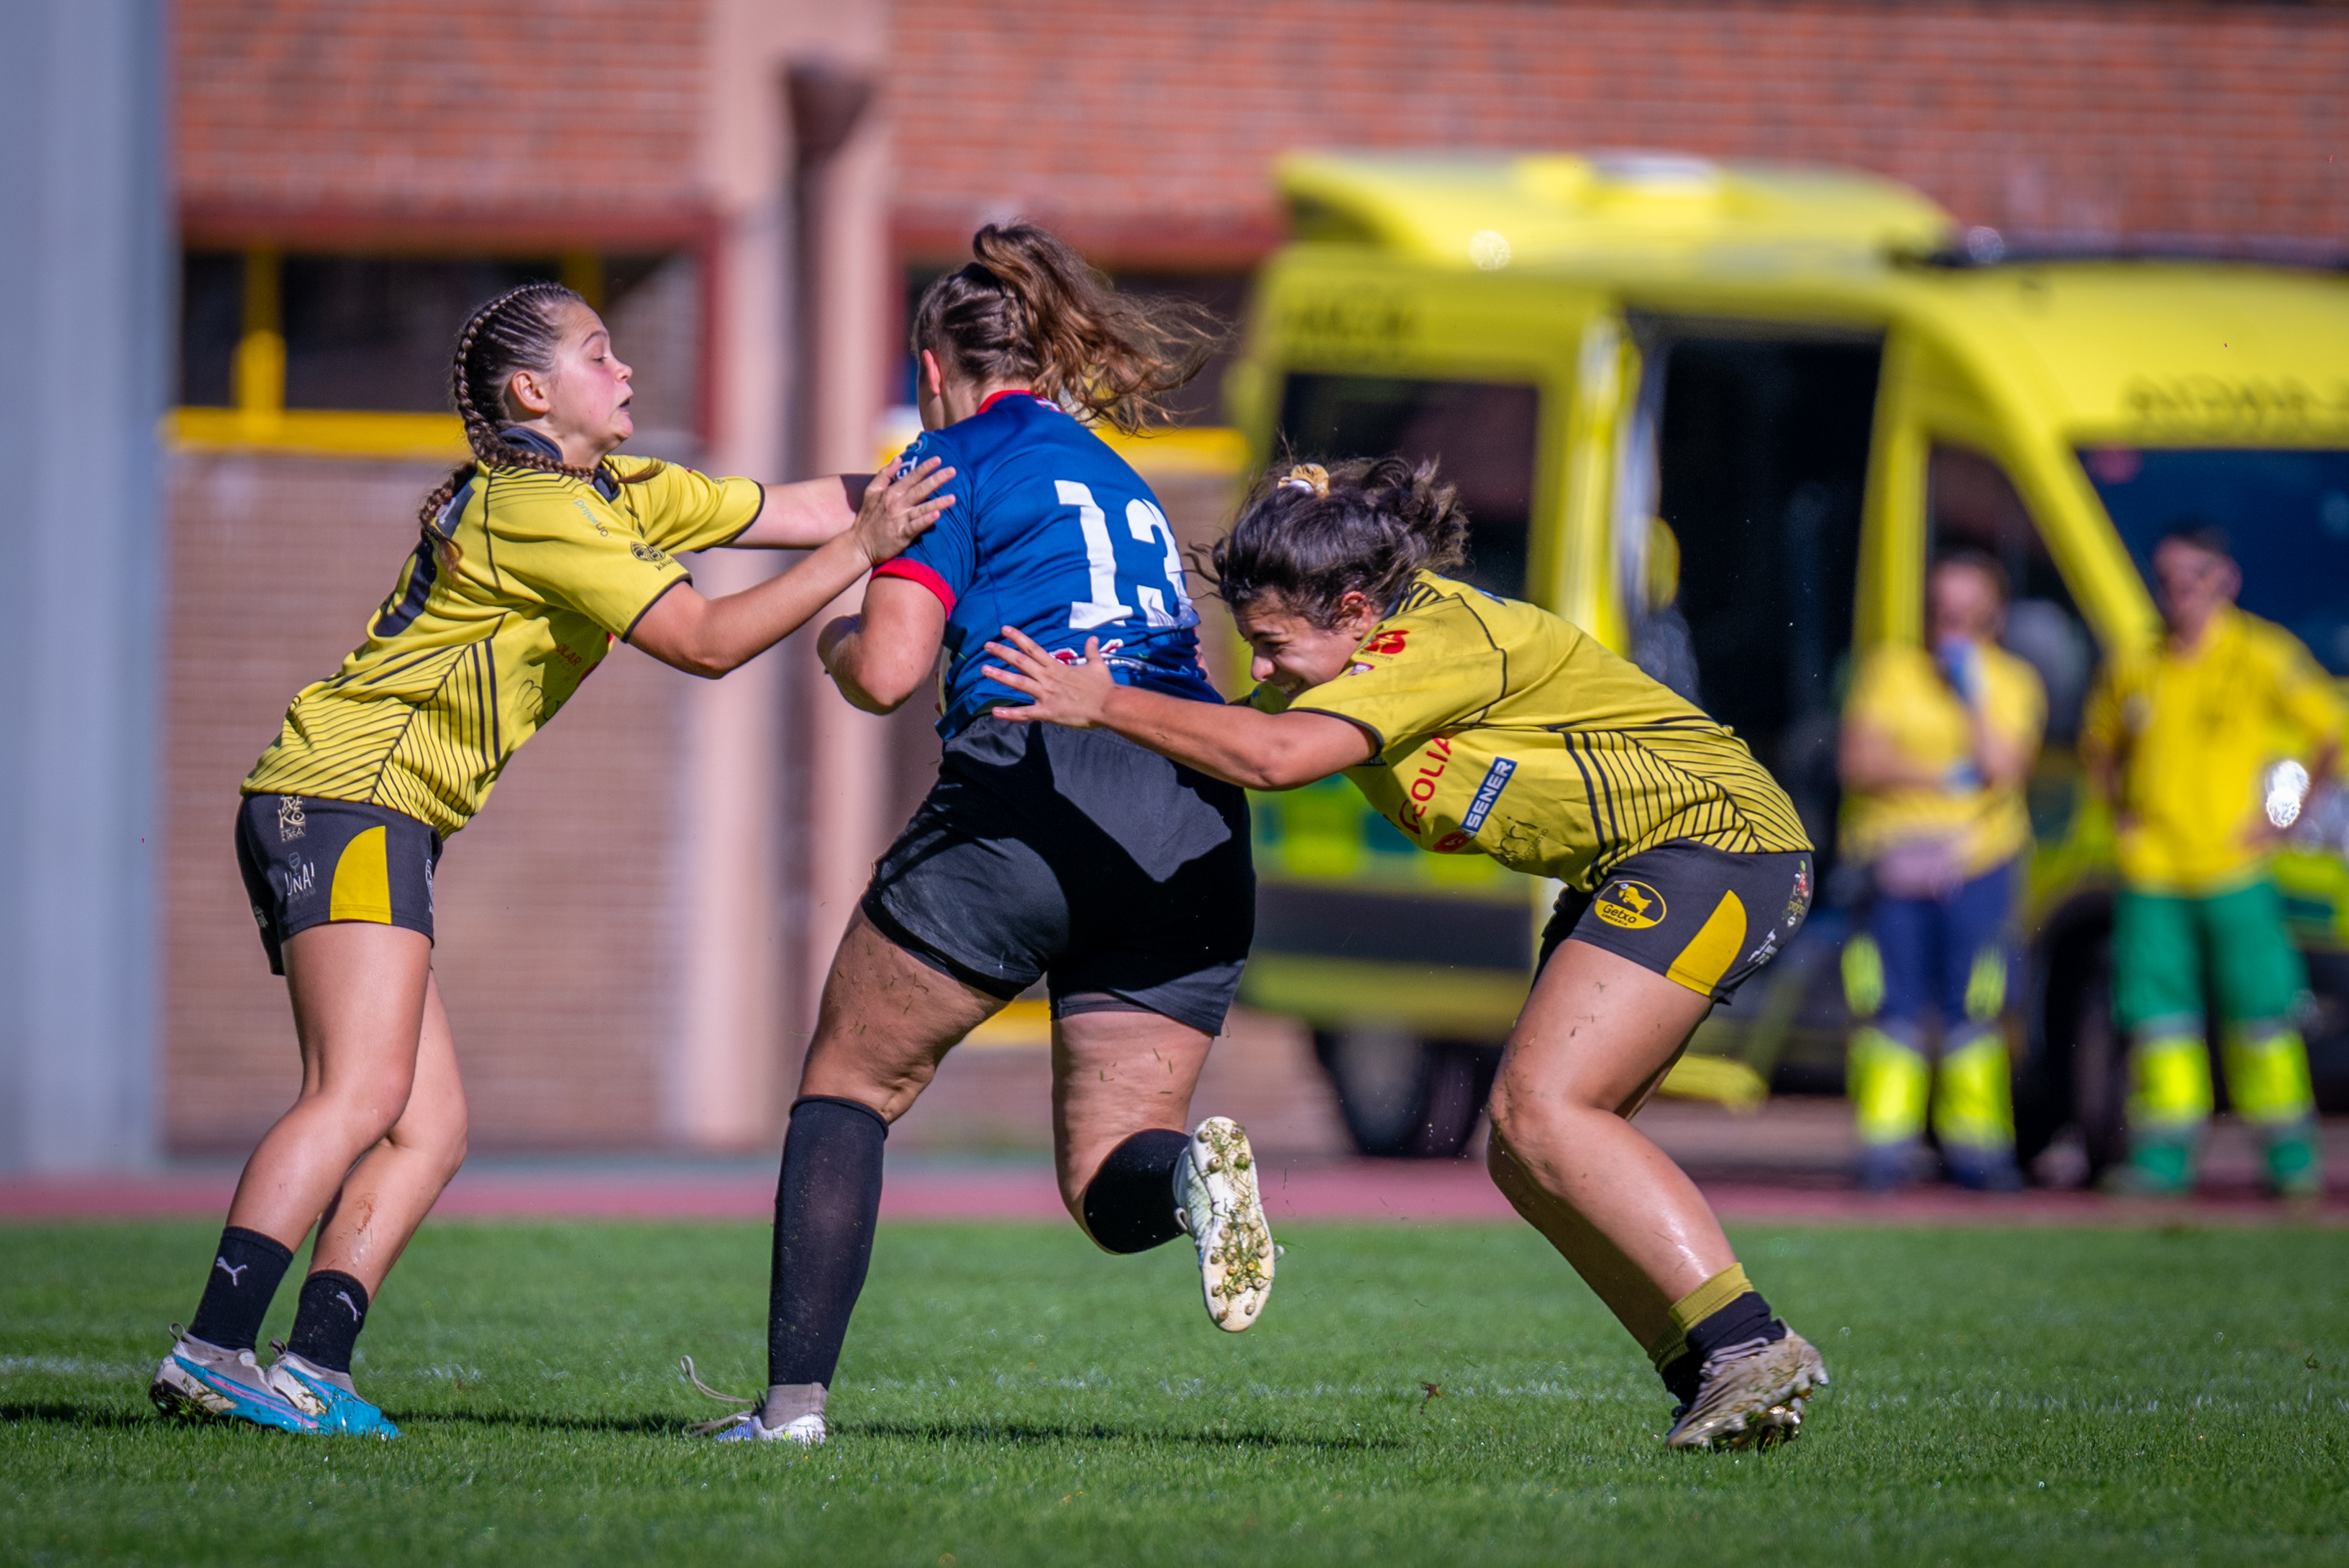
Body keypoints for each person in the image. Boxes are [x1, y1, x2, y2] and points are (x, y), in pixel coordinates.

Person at [150, 280, 954, 1438]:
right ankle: (212, 1348)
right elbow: (706, 640)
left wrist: (966, 464)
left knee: (428, 1128)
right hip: (343, 799)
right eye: (599, 354)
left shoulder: (616, 488)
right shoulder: (533, 507)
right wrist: (867, 549)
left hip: (376, 812)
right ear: (532, 392)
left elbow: (797, 505)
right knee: (360, 1093)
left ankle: (311, 1368)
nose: (625, 373)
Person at [983, 456, 1829, 1451]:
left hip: (1717, 847)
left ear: (1353, 611)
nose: (1262, 669)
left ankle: (1746, 1345)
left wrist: (1101, 701)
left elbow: (1273, 758)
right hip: (1642, 866)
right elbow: (1233, 735)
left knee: (1544, 1110)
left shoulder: (1431, 637)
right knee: (1525, 1152)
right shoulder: (1358, 654)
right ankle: (1712, 1375)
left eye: (1272, 645)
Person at [698, 225, 1272, 1449]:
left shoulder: (945, 457)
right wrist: (664, 510)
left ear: (927, 369)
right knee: (1108, 1176)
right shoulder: (1112, 474)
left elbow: (888, 672)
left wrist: (833, 642)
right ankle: (1188, 1178)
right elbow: (829, 508)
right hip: (1186, 814)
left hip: (1035, 782)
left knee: (850, 1083)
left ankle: (790, 1413)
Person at [2081, 524, 2337, 1199]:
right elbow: (2099, 745)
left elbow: (2329, 735)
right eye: (2166, 578)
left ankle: (2289, 1157)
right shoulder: (2138, 662)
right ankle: (2164, 1158)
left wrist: (2284, 818)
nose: (2179, 591)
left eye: (2193, 576)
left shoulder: (2262, 653)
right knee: (2159, 1021)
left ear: (2226, 579)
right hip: (2154, 872)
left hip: (2235, 869)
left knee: (2263, 1014)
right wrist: (2121, 816)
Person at [1836, 553, 2045, 1191]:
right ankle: (1885, 1148)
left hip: (1980, 861)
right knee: (1890, 1009)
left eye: (1968, 612)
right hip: (1892, 862)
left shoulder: (2012, 682)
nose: (1951, 623)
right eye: (1940, 610)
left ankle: (1977, 1149)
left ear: (1994, 617)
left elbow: (2004, 768)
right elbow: (1860, 762)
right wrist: (1947, 777)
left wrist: (1971, 694)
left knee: (1974, 1011)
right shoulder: (1889, 669)